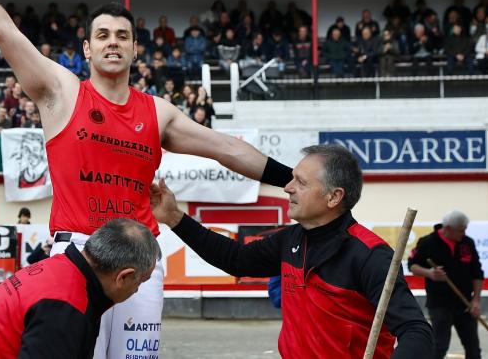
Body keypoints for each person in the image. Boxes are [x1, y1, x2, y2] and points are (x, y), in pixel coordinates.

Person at [0, 0, 293, 359]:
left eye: (122, 36)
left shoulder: (158, 112)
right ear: (86, 49)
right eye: (102, 35)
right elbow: (2, 30)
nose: (112, 43)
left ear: (136, 49)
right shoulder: (60, 92)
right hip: (77, 254)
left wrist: (293, 179)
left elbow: (228, 148)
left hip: (140, 261)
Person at [150, 144, 433, 358]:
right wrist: (175, 217)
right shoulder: (291, 239)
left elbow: (416, 332)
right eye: (292, 179)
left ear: (334, 197)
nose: (287, 188)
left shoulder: (370, 254)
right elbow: (237, 259)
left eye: (301, 182)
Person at [0, 219, 159, 358]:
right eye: (140, 281)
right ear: (124, 276)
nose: (137, 290)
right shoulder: (64, 310)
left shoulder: (61, 268)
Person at [408, 211, 484, 359]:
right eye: (461, 230)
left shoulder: (467, 243)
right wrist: (430, 273)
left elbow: (477, 273)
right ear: (448, 228)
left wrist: (476, 300)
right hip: (439, 304)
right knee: (439, 346)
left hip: (465, 303)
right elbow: (412, 265)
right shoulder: (428, 242)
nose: (464, 233)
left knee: (473, 347)